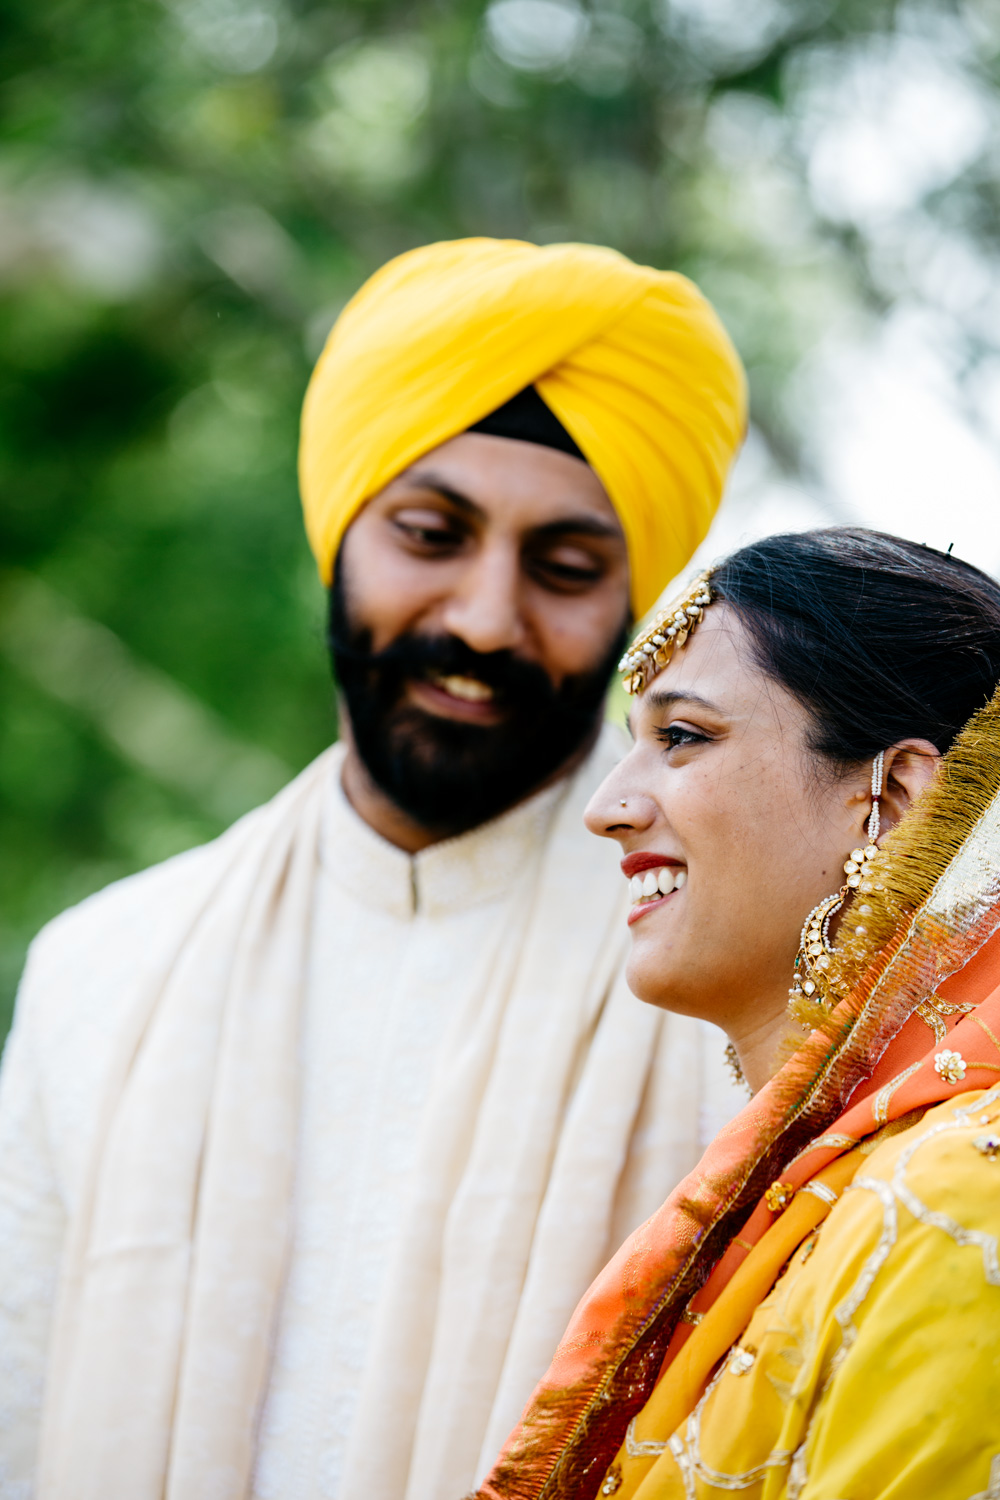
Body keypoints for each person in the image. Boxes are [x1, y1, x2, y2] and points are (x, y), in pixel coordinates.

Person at [0, 238, 747, 1500]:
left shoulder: (729, 994)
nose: (482, 618)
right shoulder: (103, 972)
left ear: (636, 601)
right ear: (342, 536)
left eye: (564, 567)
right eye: (429, 533)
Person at [478, 527, 1000, 1500]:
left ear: (890, 799)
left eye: (681, 737)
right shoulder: (845, 1190)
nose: (608, 808)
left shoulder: (955, 1200)